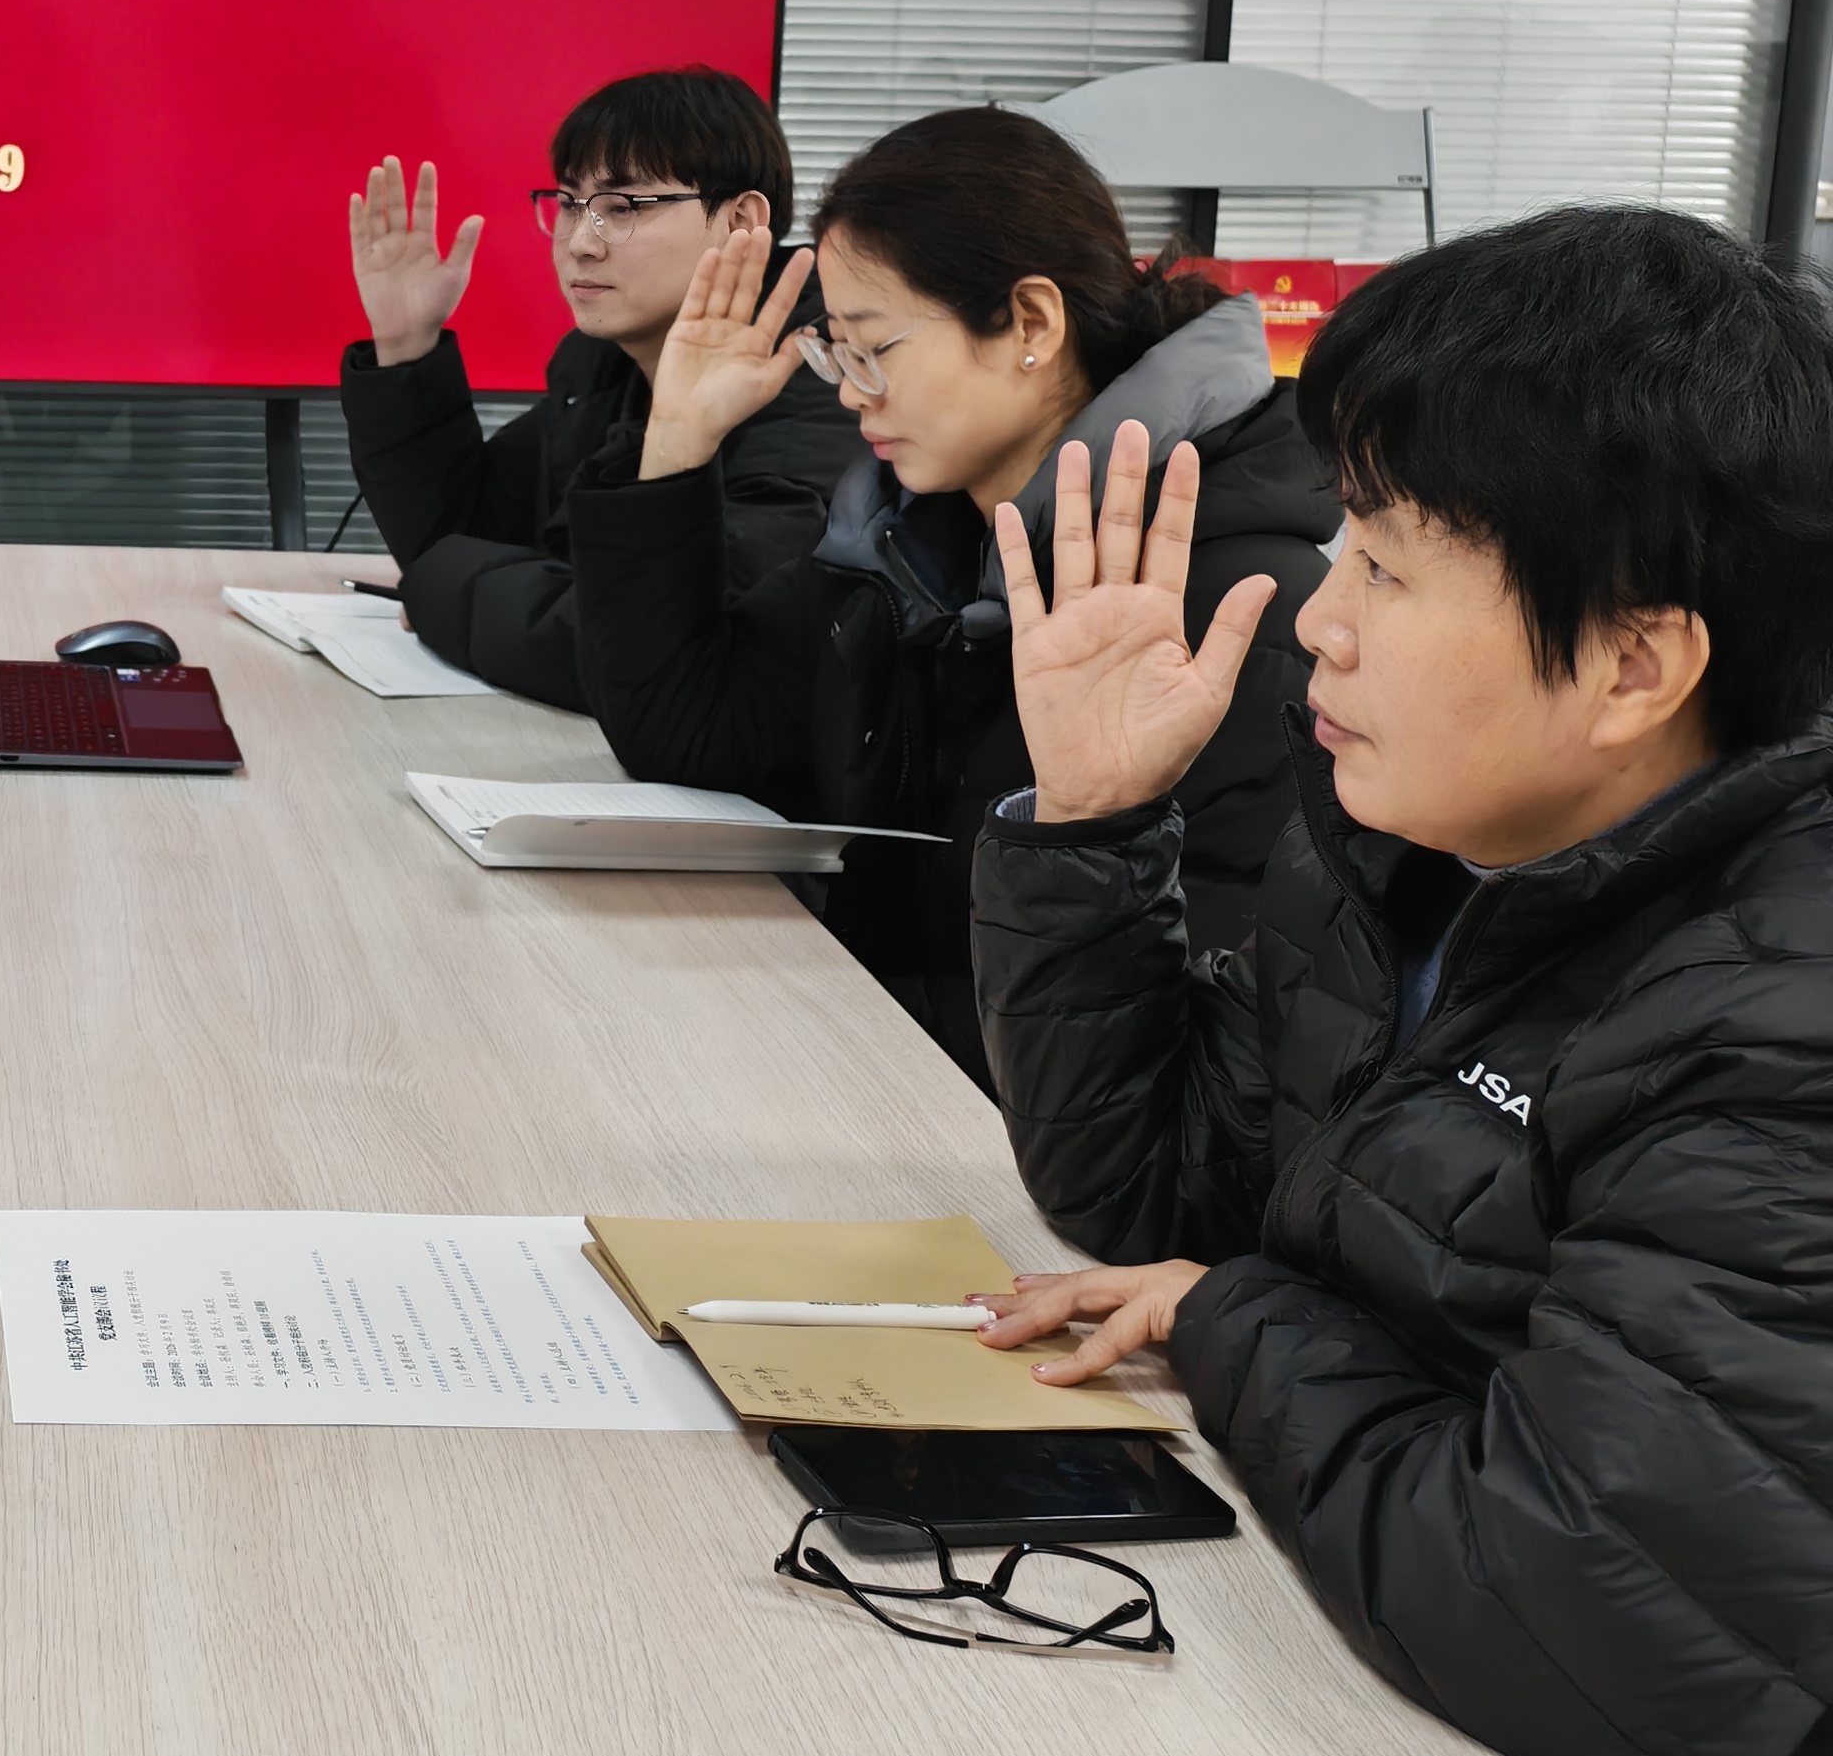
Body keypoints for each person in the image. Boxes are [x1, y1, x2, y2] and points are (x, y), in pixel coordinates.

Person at [965, 206, 1833, 1756]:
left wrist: (1231, 1318)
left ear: (1635, 662)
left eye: (1385, 564)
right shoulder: (1445, 832)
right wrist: (1092, 824)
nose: (1319, 617)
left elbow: (1565, 1621)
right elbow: (1158, 1193)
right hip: (1411, 1720)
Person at [570, 104, 1336, 1076]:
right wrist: (677, 443)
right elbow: (689, 733)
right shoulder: (912, 538)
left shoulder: (1233, 612)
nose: (849, 392)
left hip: (1000, 1144)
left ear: (1031, 323)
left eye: (872, 348)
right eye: (835, 351)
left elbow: (1198, 1058)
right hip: (861, 1081)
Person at [336, 68, 860, 709]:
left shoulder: (818, 379)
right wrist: (405, 345)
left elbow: (650, 649)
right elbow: (463, 534)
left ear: (740, 220)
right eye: (569, 203)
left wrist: (442, 589)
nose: (581, 243)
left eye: (624, 207)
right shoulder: (603, 362)